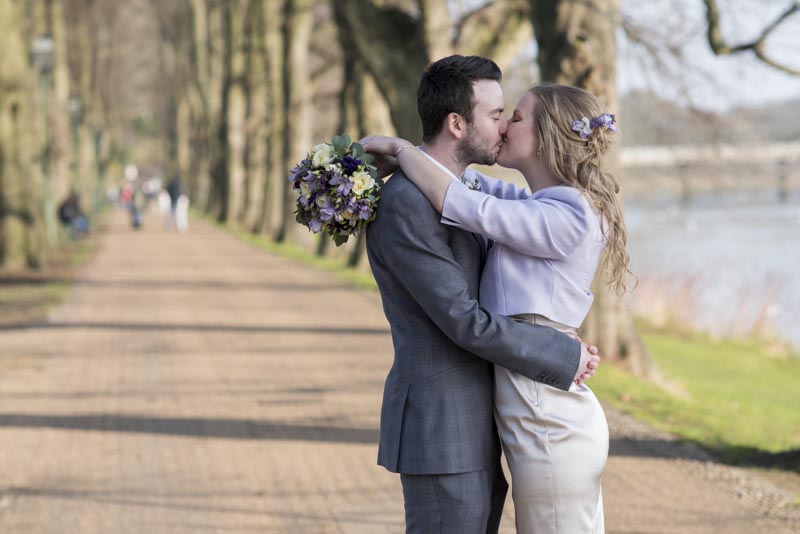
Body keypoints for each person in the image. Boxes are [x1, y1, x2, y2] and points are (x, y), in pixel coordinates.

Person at [362, 82, 631, 534]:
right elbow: (468, 186)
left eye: (517, 117)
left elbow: (465, 204)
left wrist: (404, 151)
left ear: (545, 138)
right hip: (531, 403)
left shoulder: (569, 214)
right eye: (501, 115)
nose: (504, 125)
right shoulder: (539, 204)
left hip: (549, 414)